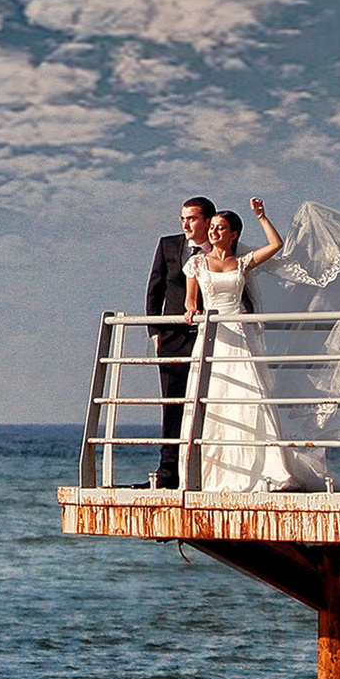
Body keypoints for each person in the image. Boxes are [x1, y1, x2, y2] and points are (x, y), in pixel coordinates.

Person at [180, 198, 328, 493]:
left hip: (240, 334)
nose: (214, 233)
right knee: (212, 399)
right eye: (212, 228)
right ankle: (210, 471)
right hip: (213, 336)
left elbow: (276, 244)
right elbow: (190, 299)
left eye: (221, 228)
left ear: (233, 234)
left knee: (248, 397)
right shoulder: (197, 263)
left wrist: (261, 216)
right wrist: (189, 311)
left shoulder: (242, 263)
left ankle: (265, 467)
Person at [144, 197, 214, 487]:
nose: (186, 224)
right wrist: (155, 332)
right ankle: (168, 470)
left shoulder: (223, 247)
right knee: (172, 403)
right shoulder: (168, 245)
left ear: (208, 221)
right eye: (183, 218)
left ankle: (207, 468)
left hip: (211, 336)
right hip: (172, 336)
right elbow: (154, 289)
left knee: (211, 403)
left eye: (192, 218)